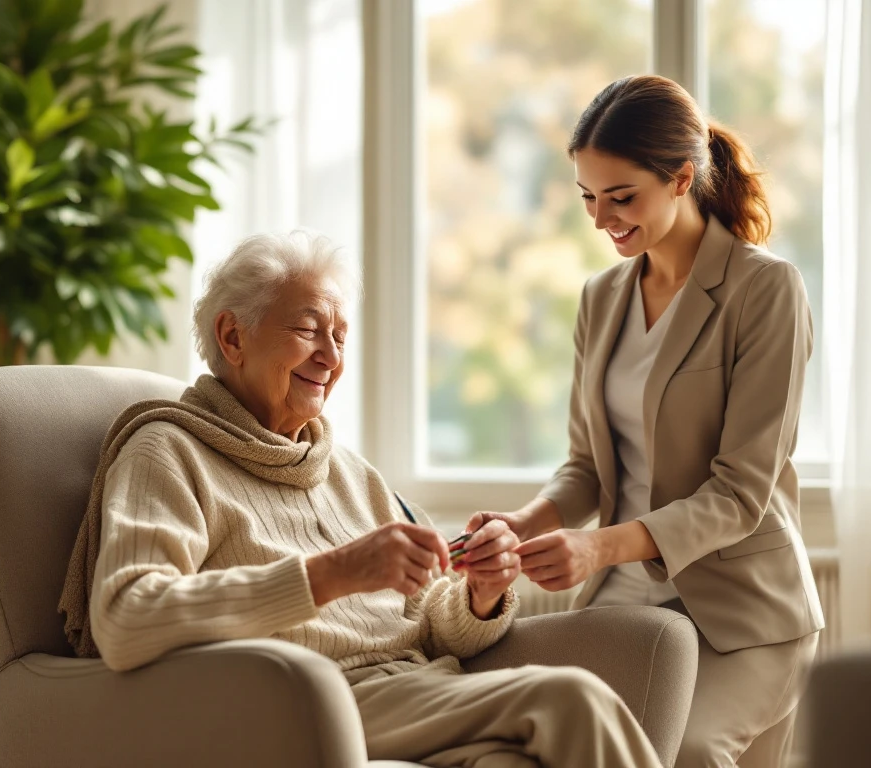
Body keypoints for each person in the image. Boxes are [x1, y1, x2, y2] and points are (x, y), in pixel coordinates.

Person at [58, 230, 663, 768]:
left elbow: (432, 622)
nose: (330, 356)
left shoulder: (346, 471)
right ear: (232, 336)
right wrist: (329, 574)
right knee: (572, 699)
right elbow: (127, 617)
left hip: (410, 689)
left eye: (340, 336)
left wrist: (479, 593)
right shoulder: (169, 451)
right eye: (306, 329)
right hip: (305, 703)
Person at [468, 75, 824, 767]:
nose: (601, 219)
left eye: (621, 197)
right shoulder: (601, 299)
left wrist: (596, 548)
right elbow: (586, 469)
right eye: (589, 199)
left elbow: (740, 492)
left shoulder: (765, 290)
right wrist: (523, 523)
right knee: (554, 742)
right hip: (629, 602)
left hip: (742, 613)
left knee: (685, 753)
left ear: (681, 178)